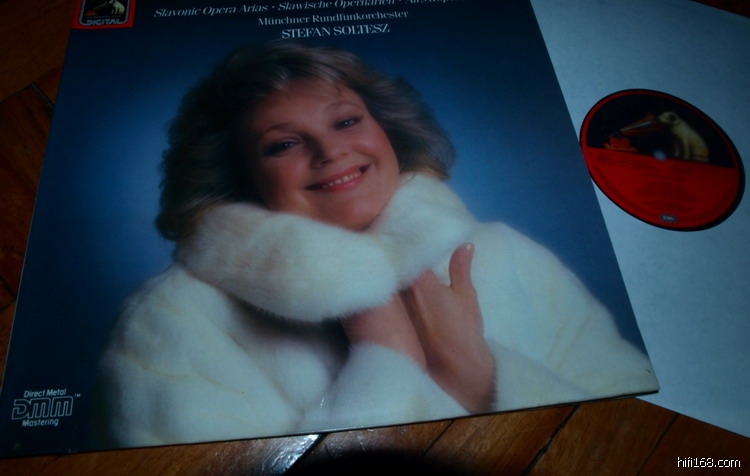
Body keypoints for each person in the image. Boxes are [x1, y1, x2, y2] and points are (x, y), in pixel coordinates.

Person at [94, 41, 657, 448]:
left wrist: (476, 374)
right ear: (238, 177)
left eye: (345, 121)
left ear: (389, 130)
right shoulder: (173, 320)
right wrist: (385, 357)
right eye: (284, 144)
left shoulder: (504, 252)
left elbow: (628, 442)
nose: (331, 152)